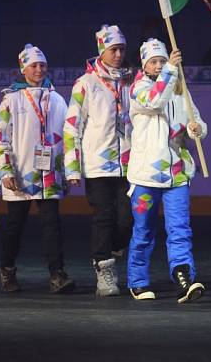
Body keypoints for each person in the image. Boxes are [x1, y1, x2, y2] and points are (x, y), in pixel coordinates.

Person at [126, 38, 207, 303]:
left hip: (177, 175)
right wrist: (171, 70)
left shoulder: (180, 91)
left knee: (180, 229)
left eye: (162, 60)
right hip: (146, 176)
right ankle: (137, 281)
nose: (159, 65)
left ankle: (184, 277)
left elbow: (196, 120)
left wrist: (198, 130)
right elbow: (154, 101)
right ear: (145, 65)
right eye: (154, 61)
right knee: (144, 230)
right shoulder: (138, 89)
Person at [0, 44, 74, 294]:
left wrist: (69, 170)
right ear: (23, 69)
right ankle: (6, 270)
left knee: (52, 225)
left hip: (49, 174)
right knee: (15, 225)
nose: (39, 69)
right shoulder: (11, 100)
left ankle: (57, 274)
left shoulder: (57, 99)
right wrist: (5, 171)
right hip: (20, 173)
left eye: (42, 65)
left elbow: (69, 136)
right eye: (33, 65)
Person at [64, 25, 133, 297]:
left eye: (121, 49)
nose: (118, 54)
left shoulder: (133, 81)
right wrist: (72, 167)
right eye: (113, 49)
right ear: (101, 51)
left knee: (127, 219)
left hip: (130, 163)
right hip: (97, 165)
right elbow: (72, 127)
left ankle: (113, 248)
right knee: (103, 217)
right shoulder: (86, 83)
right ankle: (104, 270)